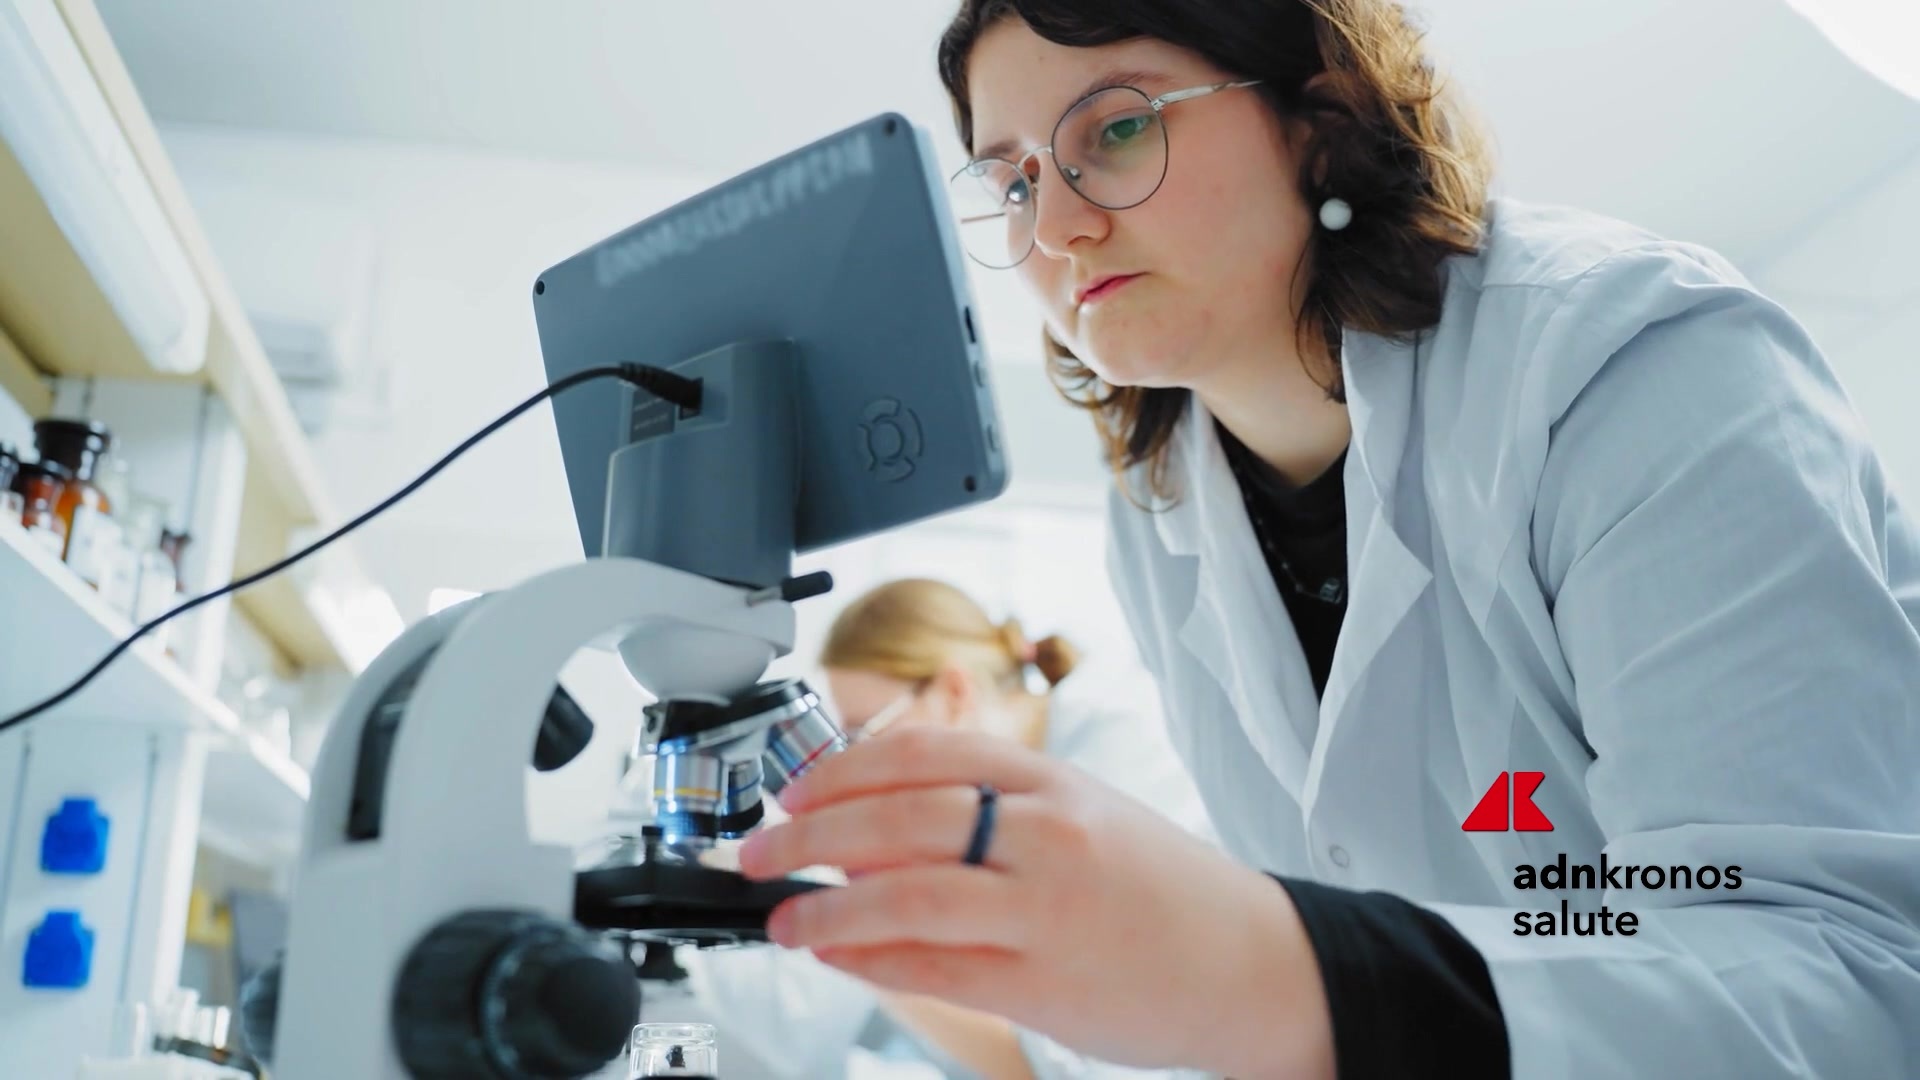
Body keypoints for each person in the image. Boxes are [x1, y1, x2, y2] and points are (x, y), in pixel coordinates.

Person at [731, 2, 1920, 1078]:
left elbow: (1847, 980)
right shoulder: (1156, 509)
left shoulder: (1631, 366)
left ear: (1321, 116)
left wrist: (1271, 969)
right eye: (1013, 182)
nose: (1057, 227)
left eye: (1118, 130)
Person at [687, 578, 1214, 1079]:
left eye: (865, 731)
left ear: (955, 692)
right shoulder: (1001, 792)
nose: (857, 761)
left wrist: (876, 949)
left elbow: (1073, 1067)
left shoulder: (1116, 768)